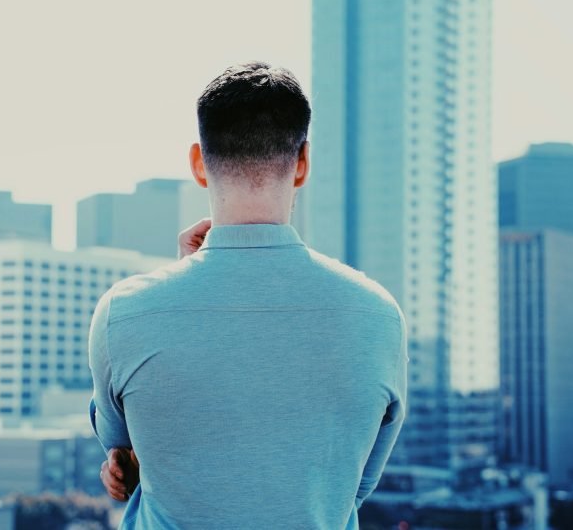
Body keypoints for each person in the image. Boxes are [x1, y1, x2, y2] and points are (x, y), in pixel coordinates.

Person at [88, 61, 408, 529]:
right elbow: (352, 486)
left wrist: (185, 285)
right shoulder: (379, 315)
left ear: (198, 163)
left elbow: (125, 452)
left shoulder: (124, 312)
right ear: (302, 163)